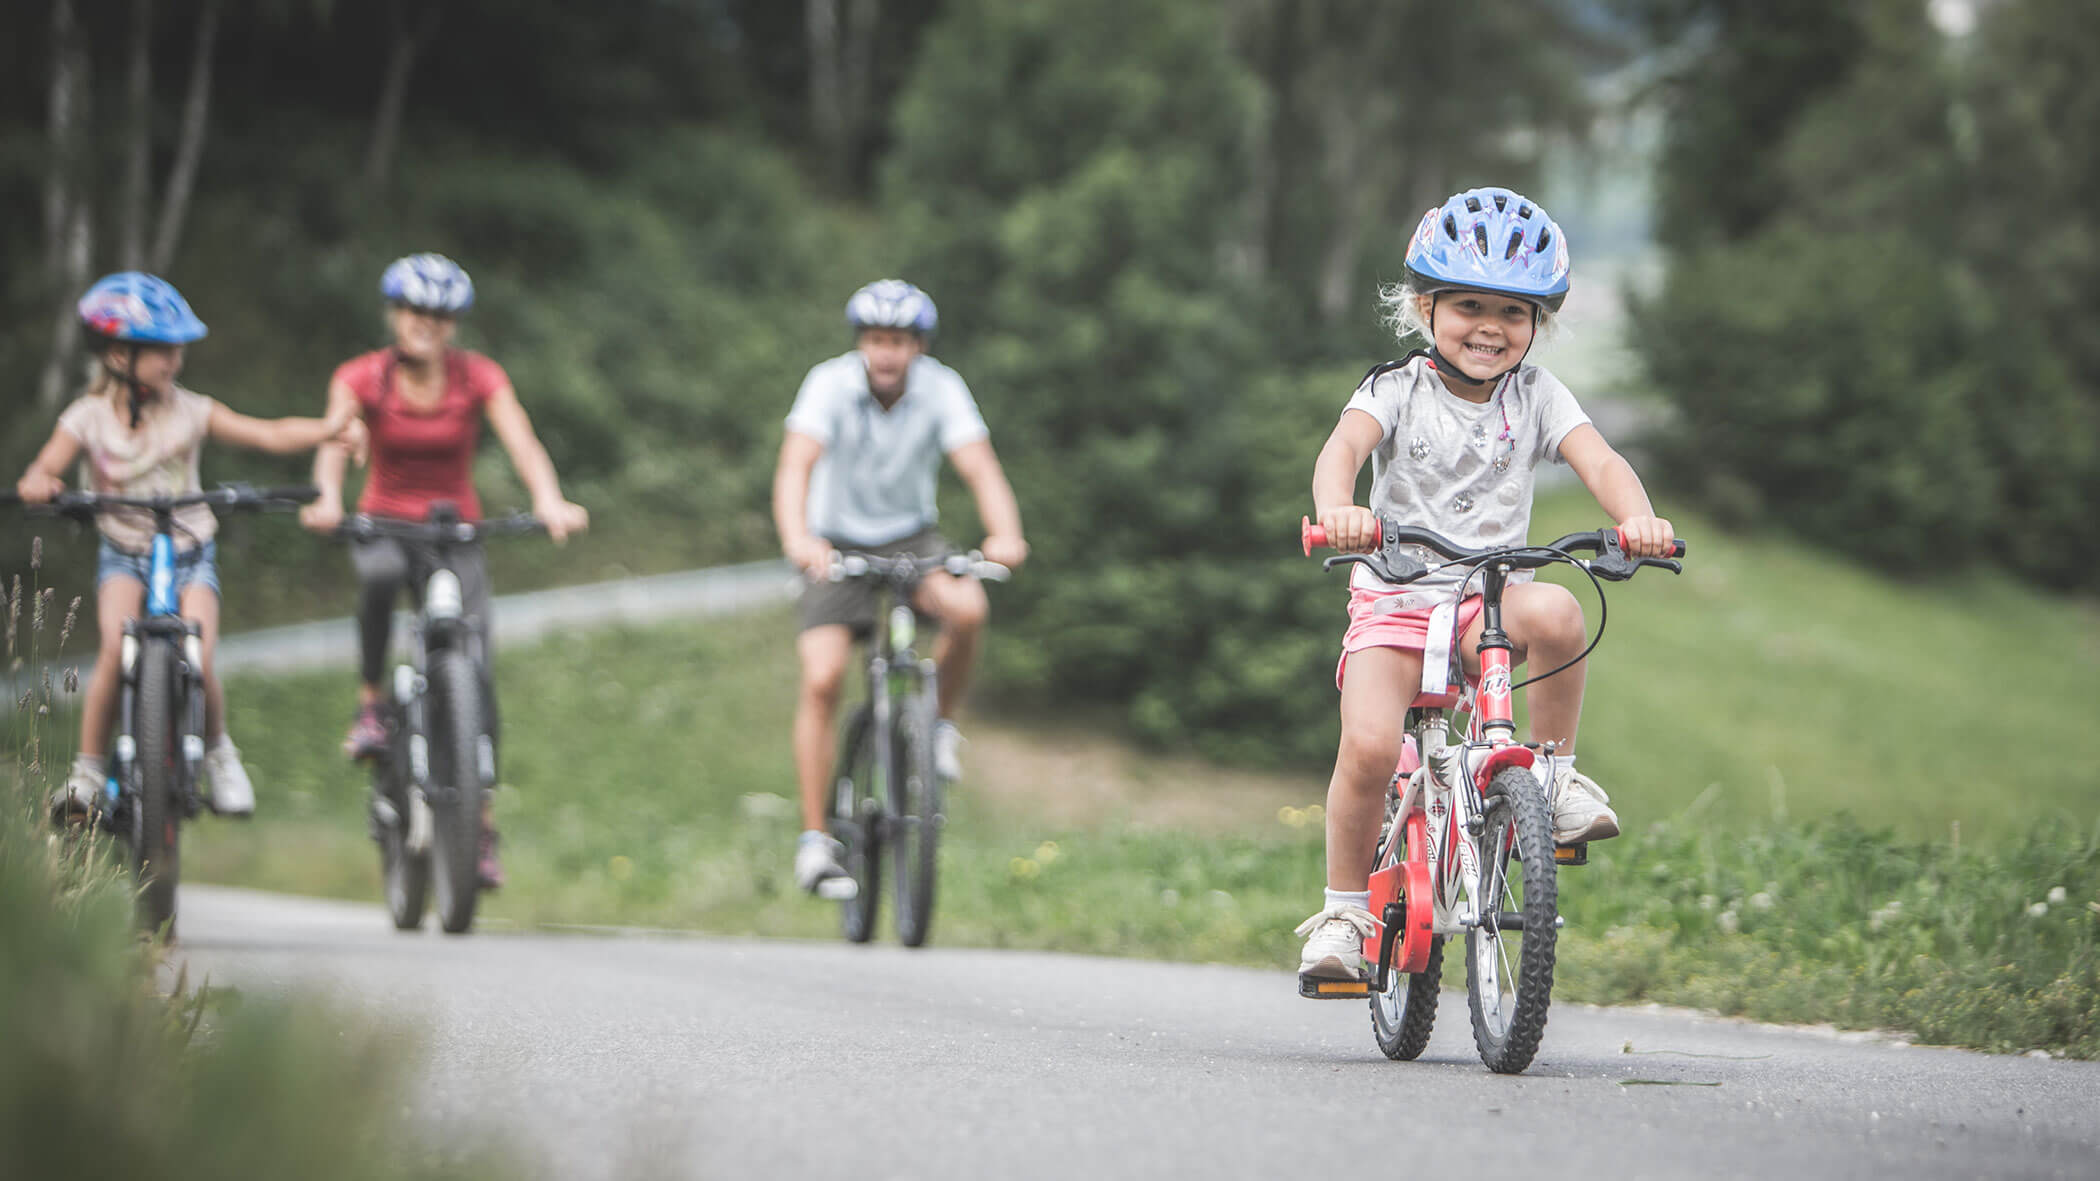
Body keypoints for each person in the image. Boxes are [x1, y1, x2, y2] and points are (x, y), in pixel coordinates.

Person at [1295, 188, 1677, 986]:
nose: (1490, 326)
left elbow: (1600, 461)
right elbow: (1343, 447)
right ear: (1424, 306)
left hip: (1485, 602)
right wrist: (1341, 508)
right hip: (1397, 597)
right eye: (1468, 304)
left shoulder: (1539, 396)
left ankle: (1556, 778)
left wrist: (1637, 516)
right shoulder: (1395, 388)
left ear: (1540, 323)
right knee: (1367, 746)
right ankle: (1341, 913)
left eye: (1514, 310)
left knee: (1564, 610)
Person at [15, 271, 358, 821]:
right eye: (159, 351)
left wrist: (327, 430)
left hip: (191, 552)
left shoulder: (192, 410)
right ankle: (85, 775)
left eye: (177, 350)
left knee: (198, 651)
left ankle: (221, 755)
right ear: (118, 356)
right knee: (112, 651)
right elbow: (47, 466)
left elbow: (267, 434)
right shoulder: (88, 418)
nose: (173, 361)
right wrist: (40, 482)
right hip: (123, 554)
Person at [299, 253, 588, 888]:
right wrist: (327, 497)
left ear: (453, 322)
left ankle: (480, 831)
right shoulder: (362, 377)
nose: (425, 323)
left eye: (439, 314)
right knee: (375, 578)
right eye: (414, 311)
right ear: (394, 315)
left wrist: (547, 498)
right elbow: (334, 442)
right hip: (384, 523)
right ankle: (371, 704)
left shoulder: (477, 377)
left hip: (455, 531)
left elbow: (522, 441)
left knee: (477, 670)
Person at [774, 279, 1027, 894]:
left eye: (900, 341)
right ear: (862, 342)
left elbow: (979, 466)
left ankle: (933, 728)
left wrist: (1005, 533)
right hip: (833, 541)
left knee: (968, 609)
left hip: (912, 539)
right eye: (877, 340)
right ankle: (815, 842)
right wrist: (800, 539)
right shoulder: (828, 383)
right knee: (823, 677)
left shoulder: (943, 388)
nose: (887, 353)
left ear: (919, 346)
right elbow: (795, 467)